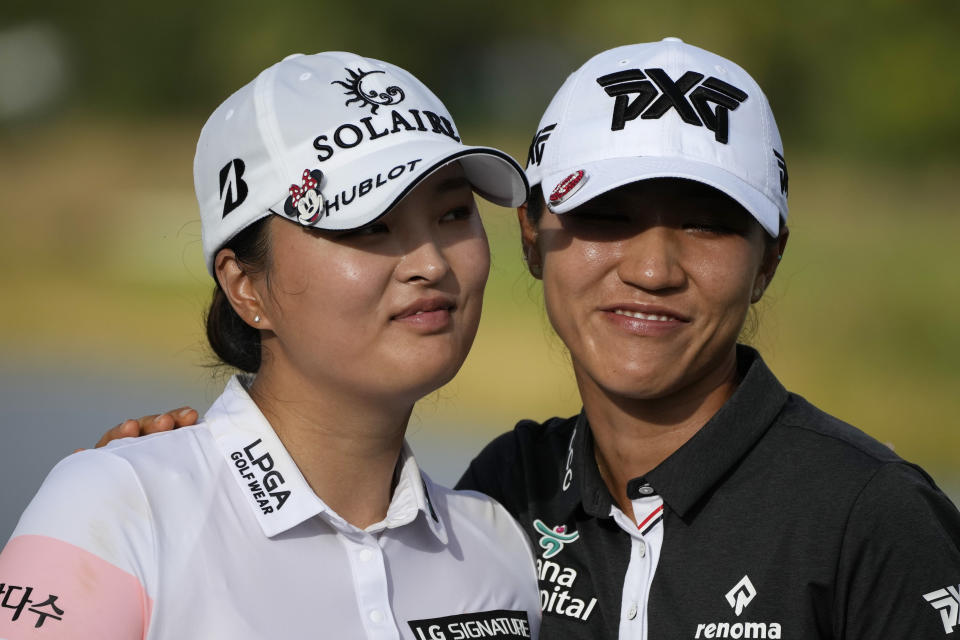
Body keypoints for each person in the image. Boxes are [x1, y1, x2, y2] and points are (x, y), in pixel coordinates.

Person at [88, 39, 960, 638]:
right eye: (608, 218)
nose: (652, 268)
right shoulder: (508, 493)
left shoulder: (873, 515)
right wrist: (189, 486)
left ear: (768, 261)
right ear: (533, 237)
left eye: (707, 227)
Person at [0, 52, 541, 639]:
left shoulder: (500, 548)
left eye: (454, 213)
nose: (431, 263)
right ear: (246, 287)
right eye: (368, 223)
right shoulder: (119, 507)